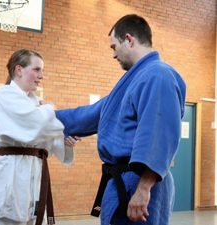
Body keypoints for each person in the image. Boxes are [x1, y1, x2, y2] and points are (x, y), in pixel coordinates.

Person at [56, 14, 186, 225]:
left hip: (140, 185)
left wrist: (144, 188)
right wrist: (44, 115)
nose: (113, 55)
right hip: (122, 183)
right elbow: (89, 115)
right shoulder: (133, 81)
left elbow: (158, 135)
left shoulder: (158, 75)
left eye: (114, 47)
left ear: (129, 39)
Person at [0, 49, 77, 225]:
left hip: (35, 171)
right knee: (9, 218)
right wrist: (52, 113)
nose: (41, 76)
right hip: (12, 171)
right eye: (36, 69)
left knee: (35, 218)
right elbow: (36, 123)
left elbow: (46, 139)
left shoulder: (37, 103)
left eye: (42, 71)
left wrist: (64, 141)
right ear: (19, 70)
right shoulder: (4, 94)